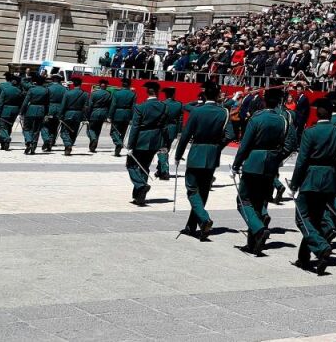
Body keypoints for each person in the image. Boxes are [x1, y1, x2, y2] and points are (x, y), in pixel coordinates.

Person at [289, 98, 336, 272]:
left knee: (302, 217)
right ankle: (304, 257)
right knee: (315, 218)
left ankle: (321, 247)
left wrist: (294, 183)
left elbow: (302, 160)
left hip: (311, 177)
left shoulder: (310, 132)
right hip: (330, 177)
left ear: (317, 113)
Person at [233, 86, 289, 254]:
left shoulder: (257, 118)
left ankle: (258, 229)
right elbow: (289, 144)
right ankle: (252, 244)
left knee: (243, 200)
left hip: (254, 161)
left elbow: (245, 144)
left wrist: (236, 164)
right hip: (271, 164)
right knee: (259, 203)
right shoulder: (283, 120)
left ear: (264, 101)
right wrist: (277, 157)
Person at [175, 82, 230, 240]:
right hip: (212, 154)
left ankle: (204, 219)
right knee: (203, 191)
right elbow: (230, 135)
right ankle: (192, 225)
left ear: (205, 95)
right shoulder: (224, 112)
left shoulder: (197, 111)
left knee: (192, 189)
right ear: (217, 95)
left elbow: (185, 136)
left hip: (197, 151)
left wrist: (178, 155)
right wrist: (217, 147)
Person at [124, 80, 166, 206]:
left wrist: (130, 145)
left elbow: (135, 127)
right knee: (144, 166)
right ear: (157, 92)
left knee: (131, 165)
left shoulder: (140, 107)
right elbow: (164, 126)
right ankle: (139, 197)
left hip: (141, 139)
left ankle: (141, 185)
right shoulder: (164, 106)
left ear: (147, 92)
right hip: (155, 140)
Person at [0, 72, 23, 151]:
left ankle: (6, 138)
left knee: (0, 125)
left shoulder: (4, 87)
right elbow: (21, 102)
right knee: (9, 126)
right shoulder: (19, 90)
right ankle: (4, 144)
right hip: (15, 110)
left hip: (5, 109)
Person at [20, 73, 49, 155]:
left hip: (31, 109)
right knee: (36, 130)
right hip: (41, 110)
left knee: (26, 128)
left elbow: (25, 102)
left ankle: (28, 141)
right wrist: (46, 113)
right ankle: (33, 147)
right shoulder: (46, 90)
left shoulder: (32, 89)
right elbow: (47, 103)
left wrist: (22, 111)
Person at [58, 77, 89, 155]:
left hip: (68, 114)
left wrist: (60, 115)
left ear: (73, 84)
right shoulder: (85, 94)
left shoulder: (68, 93)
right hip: (78, 115)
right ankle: (69, 145)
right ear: (80, 84)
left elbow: (63, 105)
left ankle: (68, 144)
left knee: (64, 132)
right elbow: (86, 107)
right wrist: (84, 116)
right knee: (74, 132)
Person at [109, 77, 137, 157]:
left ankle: (118, 143)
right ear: (129, 85)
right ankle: (117, 151)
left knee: (113, 132)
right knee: (122, 133)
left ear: (122, 84)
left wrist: (110, 116)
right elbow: (133, 107)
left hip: (117, 114)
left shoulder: (116, 93)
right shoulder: (133, 94)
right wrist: (132, 117)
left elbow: (113, 105)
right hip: (127, 114)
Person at [86, 79, 112, 153]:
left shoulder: (94, 93)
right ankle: (93, 147)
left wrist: (87, 114)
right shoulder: (109, 94)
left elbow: (90, 105)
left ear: (99, 85)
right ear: (106, 86)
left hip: (94, 112)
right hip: (103, 113)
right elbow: (110, 105)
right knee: (98, 130)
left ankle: (93, 139)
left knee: (90, 129)